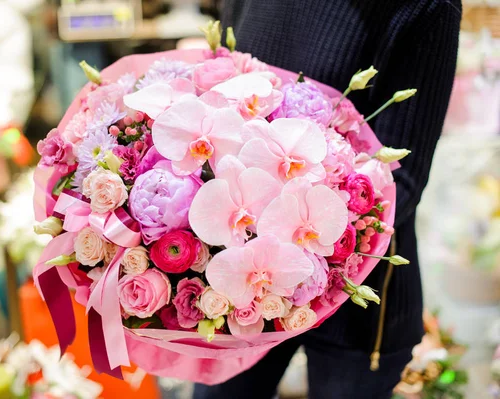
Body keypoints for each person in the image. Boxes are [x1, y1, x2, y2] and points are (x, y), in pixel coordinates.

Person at [194, 1, 462, 398]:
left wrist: (288, 254)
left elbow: (403, 177)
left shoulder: (425, 6)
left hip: (357, 299)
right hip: (242, 287)